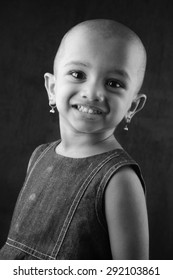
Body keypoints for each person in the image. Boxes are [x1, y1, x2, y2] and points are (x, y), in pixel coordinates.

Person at [0, 19, 149, 260]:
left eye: (113, 83)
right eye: (78, 74)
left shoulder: (119, 179)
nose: (92, 93)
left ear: (132, 106)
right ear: (52, 88)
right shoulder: (39, 156)